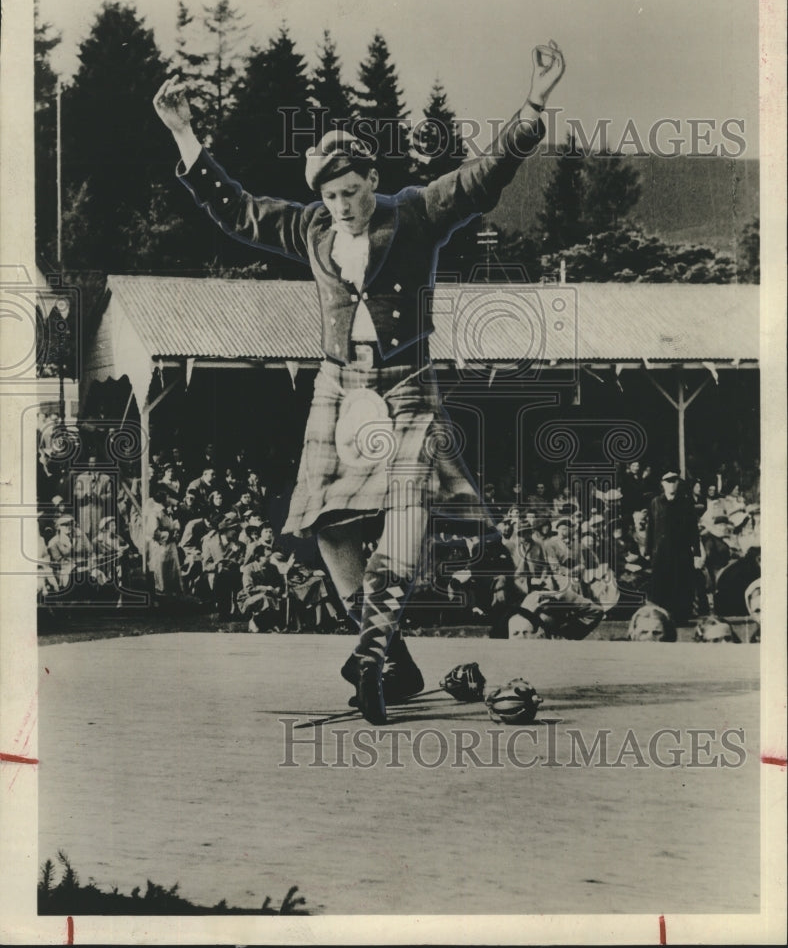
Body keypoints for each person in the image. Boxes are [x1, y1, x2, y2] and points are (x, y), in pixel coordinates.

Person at [154, 39, 565, 723]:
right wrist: (183, 133)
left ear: (372, 180)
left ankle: (373, 652)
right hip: (339, 387)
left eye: (351, 192)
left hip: (408, 383)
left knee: (407, 513)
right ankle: (394, 661)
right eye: (330, 196)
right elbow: (238, 211)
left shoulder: (416, 211)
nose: (342, 206)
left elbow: (483, 177)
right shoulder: (310, 227)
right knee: (328, 526)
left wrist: (534, 103)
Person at [645, 469, 702, 625]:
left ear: (678, 484)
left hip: (681, 552)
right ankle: (662, 617)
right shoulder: (656, 502)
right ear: (662, 484)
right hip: (661, 552)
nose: (671, 485)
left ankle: (681, 616)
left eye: (674, 481)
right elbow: (651, 527)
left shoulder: (686, 503)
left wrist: (696, 552)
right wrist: (648, 550)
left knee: (681, 583)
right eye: (668, 482)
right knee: (661, 584)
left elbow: (693, 529)